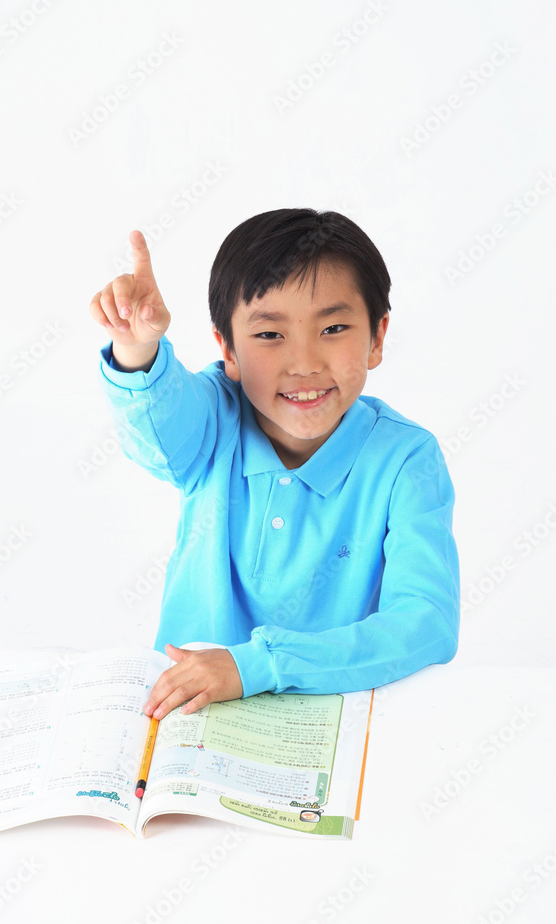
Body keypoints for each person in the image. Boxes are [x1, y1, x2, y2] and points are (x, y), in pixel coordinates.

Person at [89, 209, 459, 721]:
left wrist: (257, 665)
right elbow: (159, 429)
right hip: (187, 719)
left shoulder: (405, 459)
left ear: (377, 337)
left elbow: (425, 622)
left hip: (333, 723)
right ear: (228, 349)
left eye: (333, 328)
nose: (304, 363)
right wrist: (136, 346)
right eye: (269, 335)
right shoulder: (214, 420)